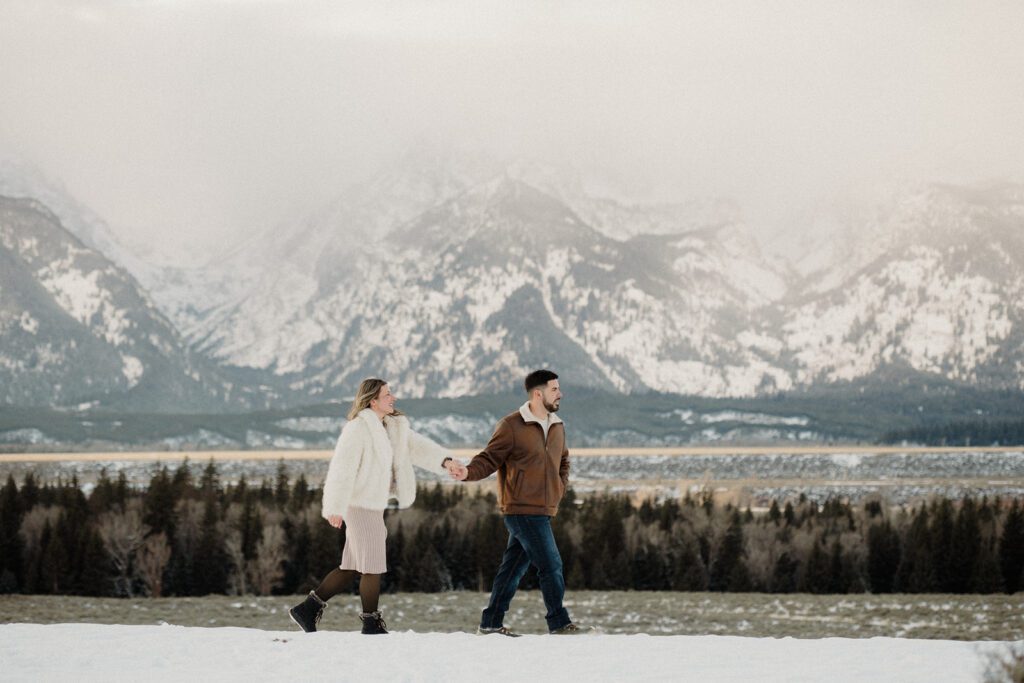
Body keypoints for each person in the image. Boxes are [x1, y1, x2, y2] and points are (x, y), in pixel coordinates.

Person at [289, 378, 463, 634]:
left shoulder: (393, 426)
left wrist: (446, 462)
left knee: (351, 567)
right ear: (373, 400)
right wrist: (335, 507)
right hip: (358, 503)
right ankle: (371, 622)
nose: (393, 398)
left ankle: (307, 609)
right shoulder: (358, 428)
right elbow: (341, 468)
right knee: (372, 563)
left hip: (373, 504)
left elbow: (419, 447)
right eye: (387, 395)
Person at [451, 369, 591, 635]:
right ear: (538, 394)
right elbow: (489, 458)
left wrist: (560, 488)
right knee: (551, 565)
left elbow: (563, 460)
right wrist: (468, 472)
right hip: (521, 508)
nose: (560, 393)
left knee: (512, 568)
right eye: (554, 389)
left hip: (544, 507)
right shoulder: (512, 426)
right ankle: (559, 622)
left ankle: (491, 623)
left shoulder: (557, 425)